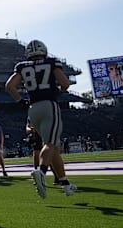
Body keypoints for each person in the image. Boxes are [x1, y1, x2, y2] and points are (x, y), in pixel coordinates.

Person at [5, 39, 76, 198]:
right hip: (49, 105)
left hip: (33, 109)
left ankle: (65, 184)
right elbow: (65, 83)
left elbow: (9, 86)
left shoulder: (22, 66)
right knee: (50, 144)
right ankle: (41, 171)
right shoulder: (51, 62)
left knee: (53, 147)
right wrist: (60, 90)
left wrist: (19, 100)